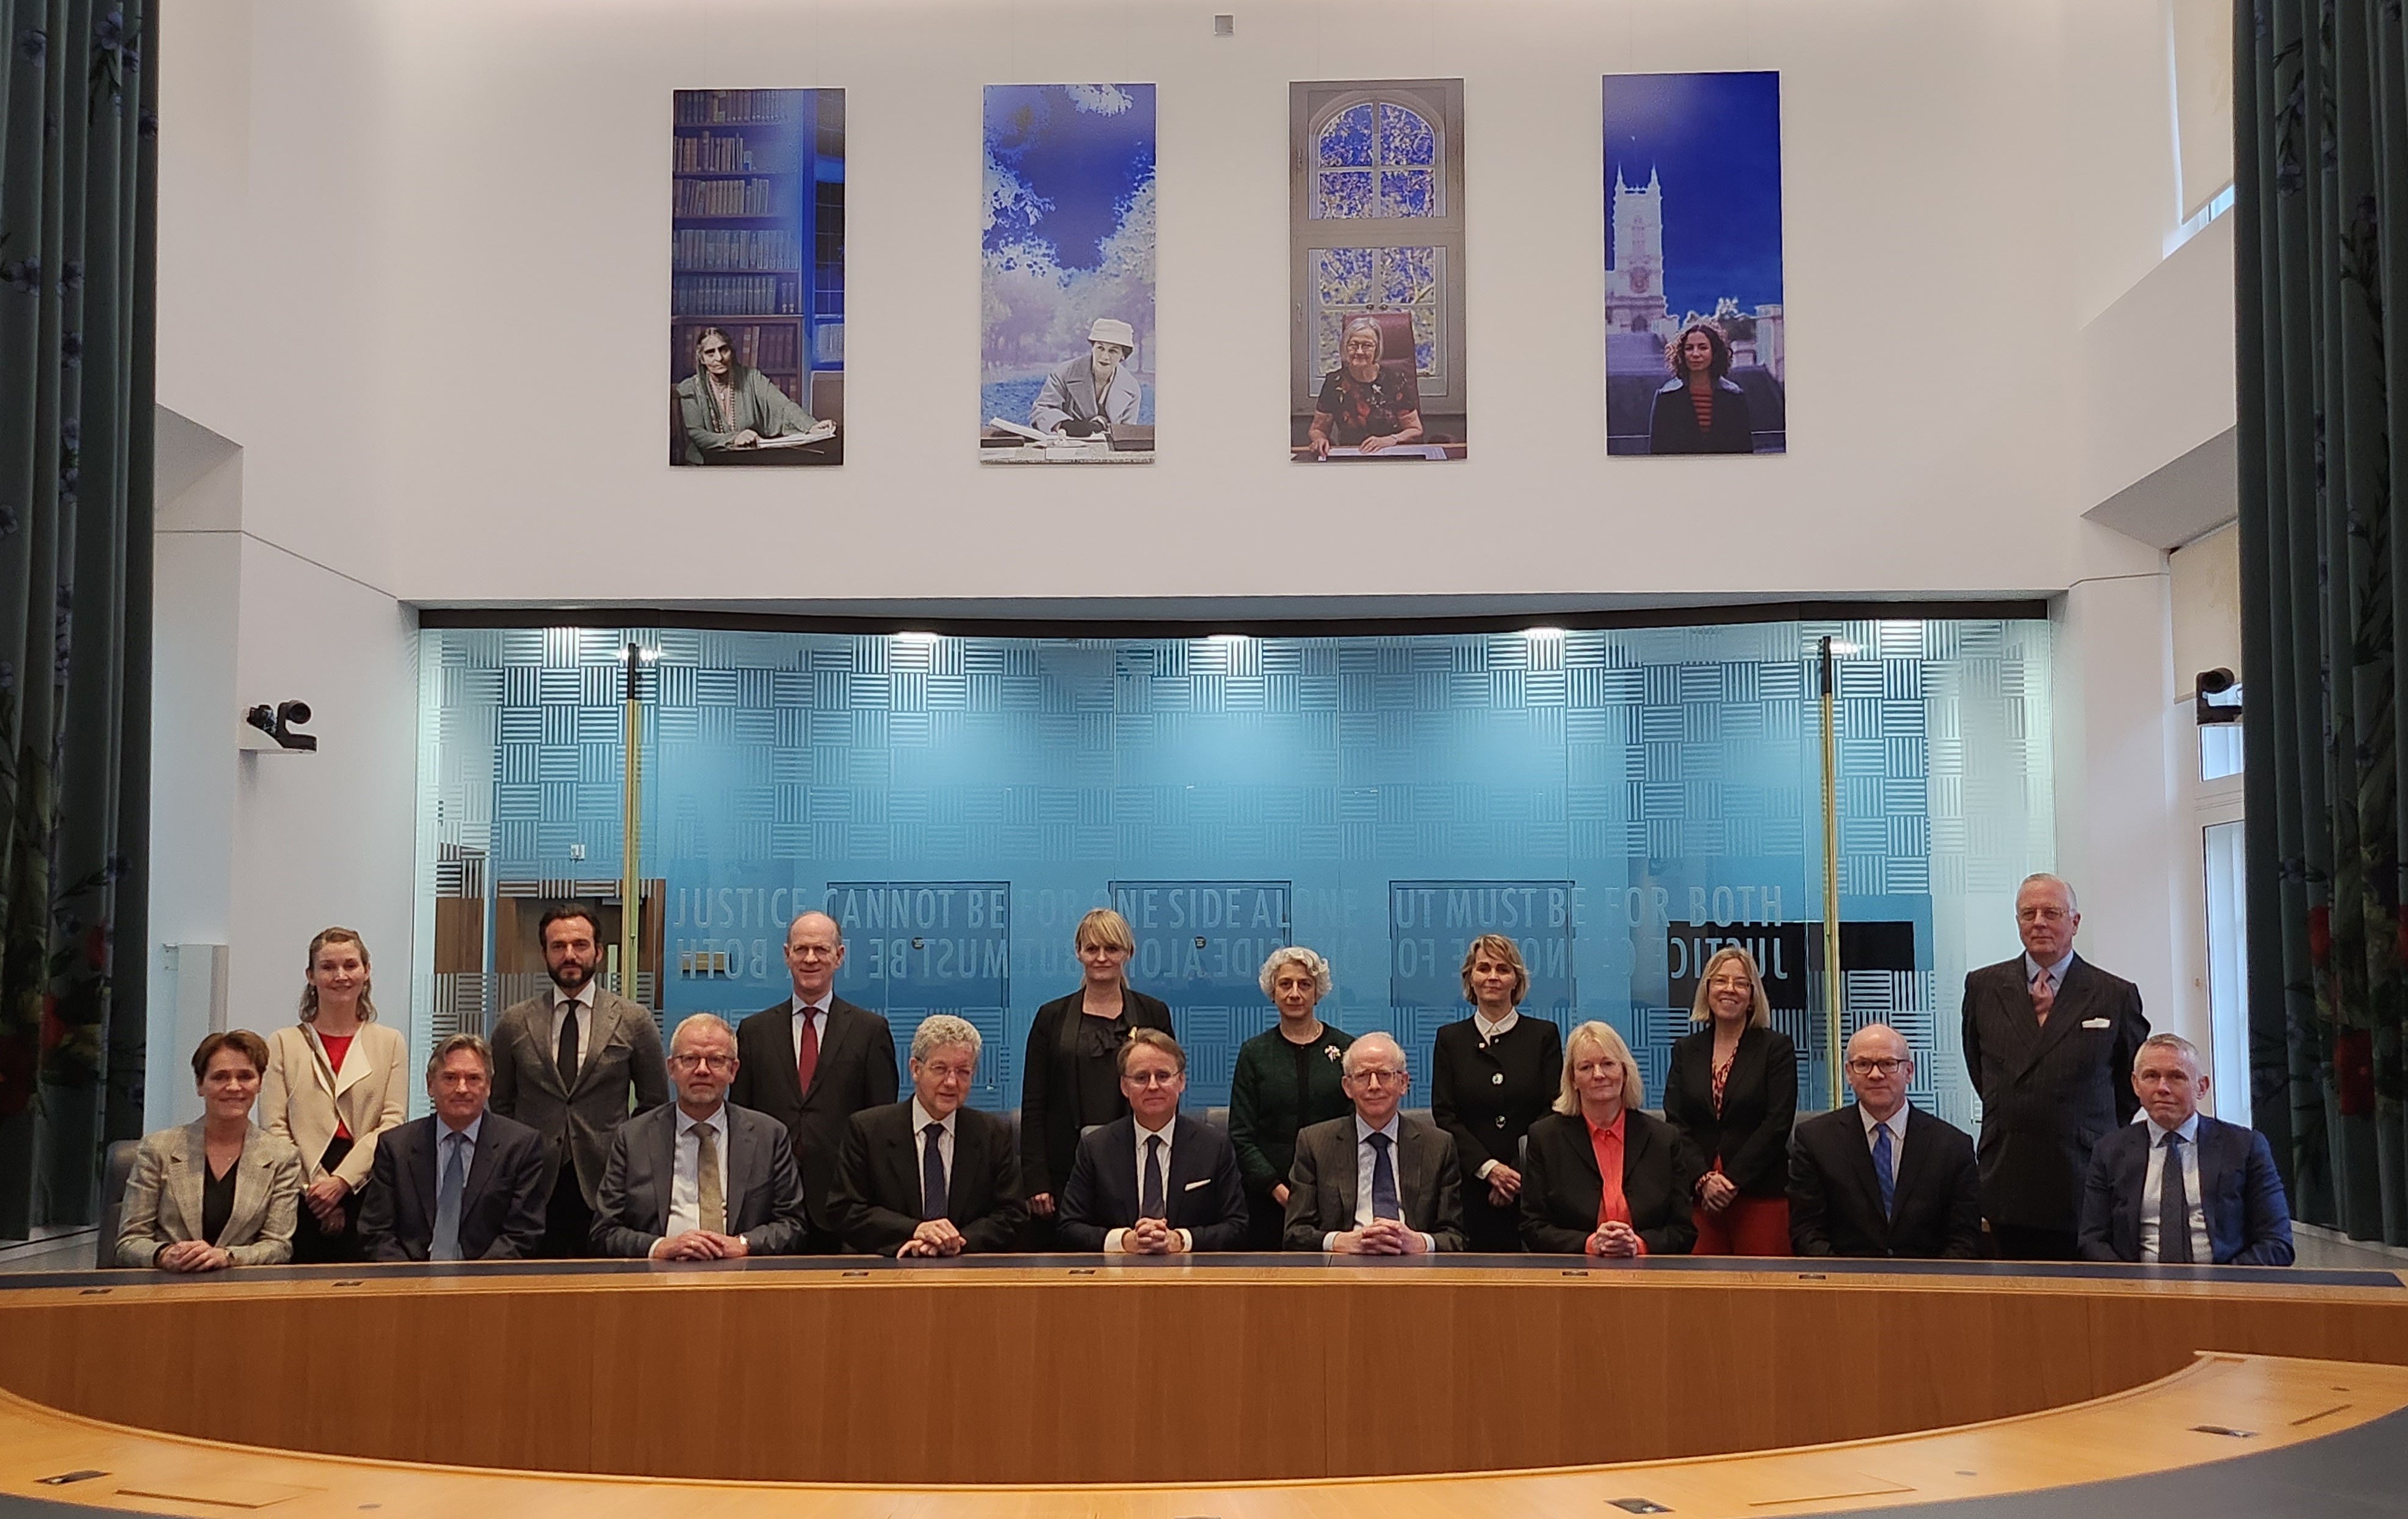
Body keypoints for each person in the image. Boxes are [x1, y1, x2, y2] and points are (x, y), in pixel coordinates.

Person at [1962, 873, 2149, 1260]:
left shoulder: (2114, 994)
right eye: (2028, 913)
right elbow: (1981, 1070)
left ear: (2075, 922)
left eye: (2052, 912)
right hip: (2009, 1169)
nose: (2039, 922)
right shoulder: (1983, 987)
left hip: (2083, 1171)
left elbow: (2130, 1084)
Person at [491, 905, 670, 1257]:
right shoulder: (515, 1022)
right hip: (533, 1184)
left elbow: (655, 1105)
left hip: (608, 1183)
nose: (569, 955)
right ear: (544, 953)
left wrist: (627, 1156)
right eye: (558, 946)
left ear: (599, 952)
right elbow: (500, 1104)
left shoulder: (633, 1020)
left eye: (580, 945)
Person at [729, 910, 898, 1252]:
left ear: (839, 957)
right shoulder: (754, 1032)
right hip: (767, 1201)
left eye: (821, 950)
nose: (810, 959)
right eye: (801, 949)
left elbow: (882, 1125)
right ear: (786, 955)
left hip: (843, 1202)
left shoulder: (870, 1031)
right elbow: (739, 1119)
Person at [592, 1014, 806, 1259]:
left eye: (716, 1060)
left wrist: (744, 1244)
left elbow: (793, 1225)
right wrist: (661, 1247)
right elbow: (605, 1231)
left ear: (733, 1070)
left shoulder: (769, 1136)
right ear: (672, 1068)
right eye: (690, 1059)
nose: (702, 1070)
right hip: (658, 1278)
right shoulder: (633, 1138)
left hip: (741, 1275)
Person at [2078, 1034, 2294, 1266]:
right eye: (2151, 1076)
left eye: (2176, 1077)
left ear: (2201, 1087)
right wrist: (2132, 1286)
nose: (2162, 1088)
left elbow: (2277, 1242)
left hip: (2226, 1289)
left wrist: (2223, 1284)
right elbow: (2092, 1240)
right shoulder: (2109, 1150)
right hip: (2139, 1291)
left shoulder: (2245, 1147)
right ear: (2135, 1085)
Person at [1021, 908, 1173, 1236]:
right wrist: (1036, 1179)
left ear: (1128, 953)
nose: (1102, 958)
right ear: (1078, 953)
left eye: (1112, 949)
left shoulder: (1153, 1012)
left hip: (1135, 1164)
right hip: (1065, 1166)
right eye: (1092, 949)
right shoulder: (1050, 1017)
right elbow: (1034, 1103)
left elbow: (1166, 1091)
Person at [260, 927, 408, 1263]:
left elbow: (391, 1122)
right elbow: (275, 1127)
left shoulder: (390, 1042)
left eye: (350, 965)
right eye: (327, 967)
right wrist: (316, 1186)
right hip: (300, 1188)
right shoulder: (284, 1044)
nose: (340, 976)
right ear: (310, 976)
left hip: (367, 1183)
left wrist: (342, 1181)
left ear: (366, 972)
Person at [831, 1015, 1027, 1257]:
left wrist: (956, 1242)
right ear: (915, 1069)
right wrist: (917, 1231)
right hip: (888, 1266)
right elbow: (846, 1210)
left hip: (966, 1269)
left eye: (963, 1071)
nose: (951, 1082)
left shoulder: (992, 1133)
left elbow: (1012, 1215)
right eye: (940, 1069)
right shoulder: (868, 1130)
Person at [1788, 1023, 1981, 1258]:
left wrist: (1931, 1289)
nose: (1875, 1074)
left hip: (1927, 1285)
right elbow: (1807, 1232)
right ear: (1849, 1073)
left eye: (1889, 1064)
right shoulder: (1815, 1141)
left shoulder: (1953, 1146)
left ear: (1909, 1072)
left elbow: (1965, 1238)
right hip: (1846, 1284)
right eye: (1863, 1064)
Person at [117, 1031, 304, 1270]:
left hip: (242, 1292)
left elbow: (279, 1246)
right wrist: (165, 1255)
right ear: (200, 1085)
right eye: (220, 1077)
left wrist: (226, 1257)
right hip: (168, 1288)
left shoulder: (282, 1157)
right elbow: (129, 1243)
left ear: (259, 1085)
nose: (234, 1087)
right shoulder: (158, 1149)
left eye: (245, 1077)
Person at [358, 1034, 549, 1262]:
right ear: (430, 1085)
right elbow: (376, 1232)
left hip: (486, 1283)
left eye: (473, 1079)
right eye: (450, 1078)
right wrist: (412, 1284)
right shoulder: (396, 1146)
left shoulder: (520, 1147)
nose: (462, 1088)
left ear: (488, 1086)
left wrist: (471, 1287)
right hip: (410, 1281)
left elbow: (523, 1234)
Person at [1520, 1021, 1705, 1256]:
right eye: (1586, 1067)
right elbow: (1533, 1228)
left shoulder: (1664, 1139)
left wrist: (1637, 1245)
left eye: (1608, 1064)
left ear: (1624, 1072)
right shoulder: (1545, 1138)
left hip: (1648, 1274)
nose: (1599, 1075)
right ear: (1573, 1080)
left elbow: (1683, 1231)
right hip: (1572, 1275)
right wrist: (1590, 1244)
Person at [1057, 1030, 1248, 1253]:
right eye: (1141, 1078)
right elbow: (1068, 1227)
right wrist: (1123, 1241)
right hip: (1116, 1277)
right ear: (1124, 1087)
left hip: (1191, 1276)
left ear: (1181, 1081)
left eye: (1163, 1076)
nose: (1153, 1086)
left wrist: (1180, 1239)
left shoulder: (1214, 1146)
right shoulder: (1096, 1148)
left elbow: (1238, 1227)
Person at [1431, 934, 1562, 1253]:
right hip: (1468, 1187)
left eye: (1503, 969)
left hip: (1531, 1184)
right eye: (1484, 968)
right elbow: (1445, 1115)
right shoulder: (1450, 1039)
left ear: (1516, 980)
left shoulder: (1543, 1035)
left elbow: (1554, 1107)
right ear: (1470, 978)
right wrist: (1489, 1169)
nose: (1492, 977)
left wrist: (1513, 1171)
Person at [1663, 945, 1798, 1255]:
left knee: (1765, 1297)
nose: (1730, 989)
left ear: (1752, 995)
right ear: (1707, 989)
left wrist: (1731, 1181)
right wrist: (1704, 1180)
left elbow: (1777, 1123)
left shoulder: (1775, 1049)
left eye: (1740, 983)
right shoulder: (1686, 1049)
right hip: (1700, 1198)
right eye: (1720, 981)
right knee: (1702, 1294)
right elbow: (1676, 1121)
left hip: (1760, 1194)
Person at [1281, 1032, 1467, 1253]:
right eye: (1362, 1076)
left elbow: (1456, 1237)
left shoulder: (1438, 1146)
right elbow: (1295, 1234)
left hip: (1415, 1268)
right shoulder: (1315, 1144)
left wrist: (1418, 1242)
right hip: (1342, 1268)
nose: (1374, 1086)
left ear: (1403, 1083)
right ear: (1347, 1087)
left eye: (1384, 1074)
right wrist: (1342, 1241)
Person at [1229, 947, 1353, 1249]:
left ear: (1318, 992)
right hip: (1266, 1200)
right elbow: (1241, 1135)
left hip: (1335, 1198)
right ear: (1272, 991)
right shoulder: (1254, 1053)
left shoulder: (1347, 1049)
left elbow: (1356, 1125)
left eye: (1305, 984)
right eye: (1285, 984)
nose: (1295, 993)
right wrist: (1277, 1189)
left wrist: (1326, 1191)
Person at [675, 325, 820, 463]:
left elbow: (784, 406)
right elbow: (697, 434)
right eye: (710, 353)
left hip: (749, 460)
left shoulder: (752, 378)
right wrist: (734, 438)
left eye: (723, 350)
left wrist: (811, 426)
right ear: (701, 358)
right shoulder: (691, 388)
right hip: (705, 465)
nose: (719, 358)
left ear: (732, 351)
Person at [1306, 316, 1425, 458]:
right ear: (1345, 347)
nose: (1360, 352)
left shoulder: (1395, 379)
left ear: (1377, 349)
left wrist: (1390, 440)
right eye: (1353, 345)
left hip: (1392, 456)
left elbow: (1415, 429)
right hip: (1352, 457)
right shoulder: (1334, 382)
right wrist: (1320, 440)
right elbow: (1317, 429)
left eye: (1367, 346)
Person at [1646, 321, 1754, 454]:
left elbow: (1744, 450)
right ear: (1681, 353)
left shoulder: (1734, 396)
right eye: (1689, 348)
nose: (1695, 354)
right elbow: (1657, 452)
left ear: (1714, 352)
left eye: (1703, 348)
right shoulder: (1666, 397)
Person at [1029, 318, 1144, 437]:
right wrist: (1068, 427)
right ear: (1093, 348)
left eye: (1113, 351)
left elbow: (1127, 434)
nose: (1105, 356)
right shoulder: (1064, 372)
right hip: (1065, 445)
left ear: (1123, 356)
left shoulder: (1131, 389)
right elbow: (1040, 412)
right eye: (1100, 348)